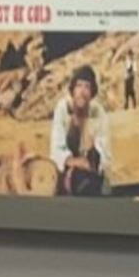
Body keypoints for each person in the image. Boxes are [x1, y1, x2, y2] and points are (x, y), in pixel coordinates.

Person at [49, 65, 109, 196]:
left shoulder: (98, 112)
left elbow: (104, 152)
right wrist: (74, 162)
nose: (82, 91)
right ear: (72, 90)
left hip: (89, 170)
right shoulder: (62, 109)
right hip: (66, 170)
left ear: (92, 92)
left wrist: (93, 150)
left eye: (87, 87)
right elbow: (56, 149)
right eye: (79, 86)